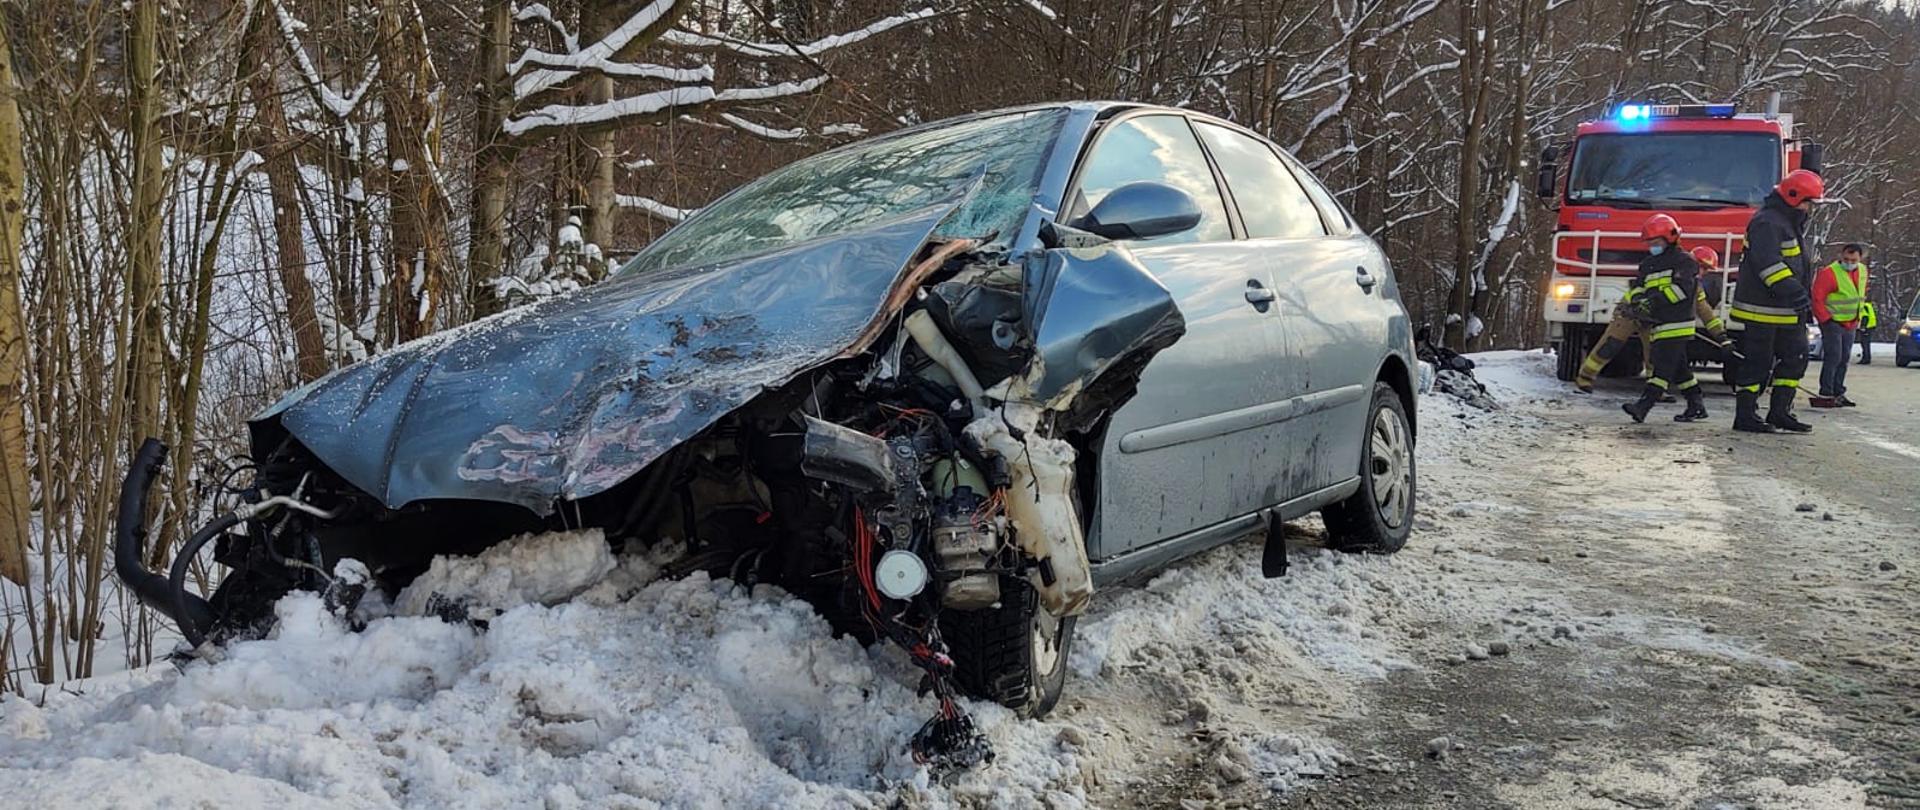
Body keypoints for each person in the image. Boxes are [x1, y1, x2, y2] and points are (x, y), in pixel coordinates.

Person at [1728, 170, 1821, 434]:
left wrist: (1799, 298)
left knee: (1796, 358)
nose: (1809, 209)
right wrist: (1795, 292)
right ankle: (1745, 415)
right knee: (1757, 363)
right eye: (1807, 203)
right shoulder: (1768, 223)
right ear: (1793, 197)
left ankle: (1780, 412)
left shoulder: (1787, 221)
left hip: (1787, 309)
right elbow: (1769, 266)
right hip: (1763, 309)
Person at [1572, 246, 1737, 394]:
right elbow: (1641, 287)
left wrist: (1721, 335)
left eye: (1707, 270)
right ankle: (1584, 379)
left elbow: (1706, 312)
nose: (1703, 272)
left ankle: (1655, 390)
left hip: (1652, 318)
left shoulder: (1693, 286)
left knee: (1654, 355)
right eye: (1702, 267)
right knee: (1610, 344)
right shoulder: (1666, 270)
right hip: (1631, 311)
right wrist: (1638, 305)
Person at [1622, 214, 1707, 423]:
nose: (1653, 246)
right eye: (1650, 243)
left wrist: (1653, 302)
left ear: (1671, 238)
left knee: (1662, 367)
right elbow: (1638, 287)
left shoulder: (1685, 261)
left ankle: (1643, 407)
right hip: (1657, 322)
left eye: (1656, 242)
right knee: (1680, 369)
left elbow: (1682, 290)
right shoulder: (1647, 264)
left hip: (1677, 323)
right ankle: (1696, 404)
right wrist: (1637, 303)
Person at [1810, 243, 1867, 408]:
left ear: (1860, 258)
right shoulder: (1829, 273)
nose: (1849, 262)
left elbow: (1860, 293)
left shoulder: (1862, 271)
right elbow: (1817, 298)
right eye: (1846, 259)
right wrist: (1825, 319)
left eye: (1853, 260)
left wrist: (1858, 317)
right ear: (1840, 256)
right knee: (1833, 357)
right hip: (1833, 321)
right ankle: (1826, 393)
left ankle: (1838, 391)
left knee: (1843, 357)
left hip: (1851, 321)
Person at [1857, 297, 1878, 364]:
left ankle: (1865, 358)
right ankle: (1867, 358)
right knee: (1866, 343)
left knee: (1864, 343)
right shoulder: (1869, 305)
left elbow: (1865, 317)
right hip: (1871, 326)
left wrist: (1863, 327)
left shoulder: (1863, 306)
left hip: (1867, 327)